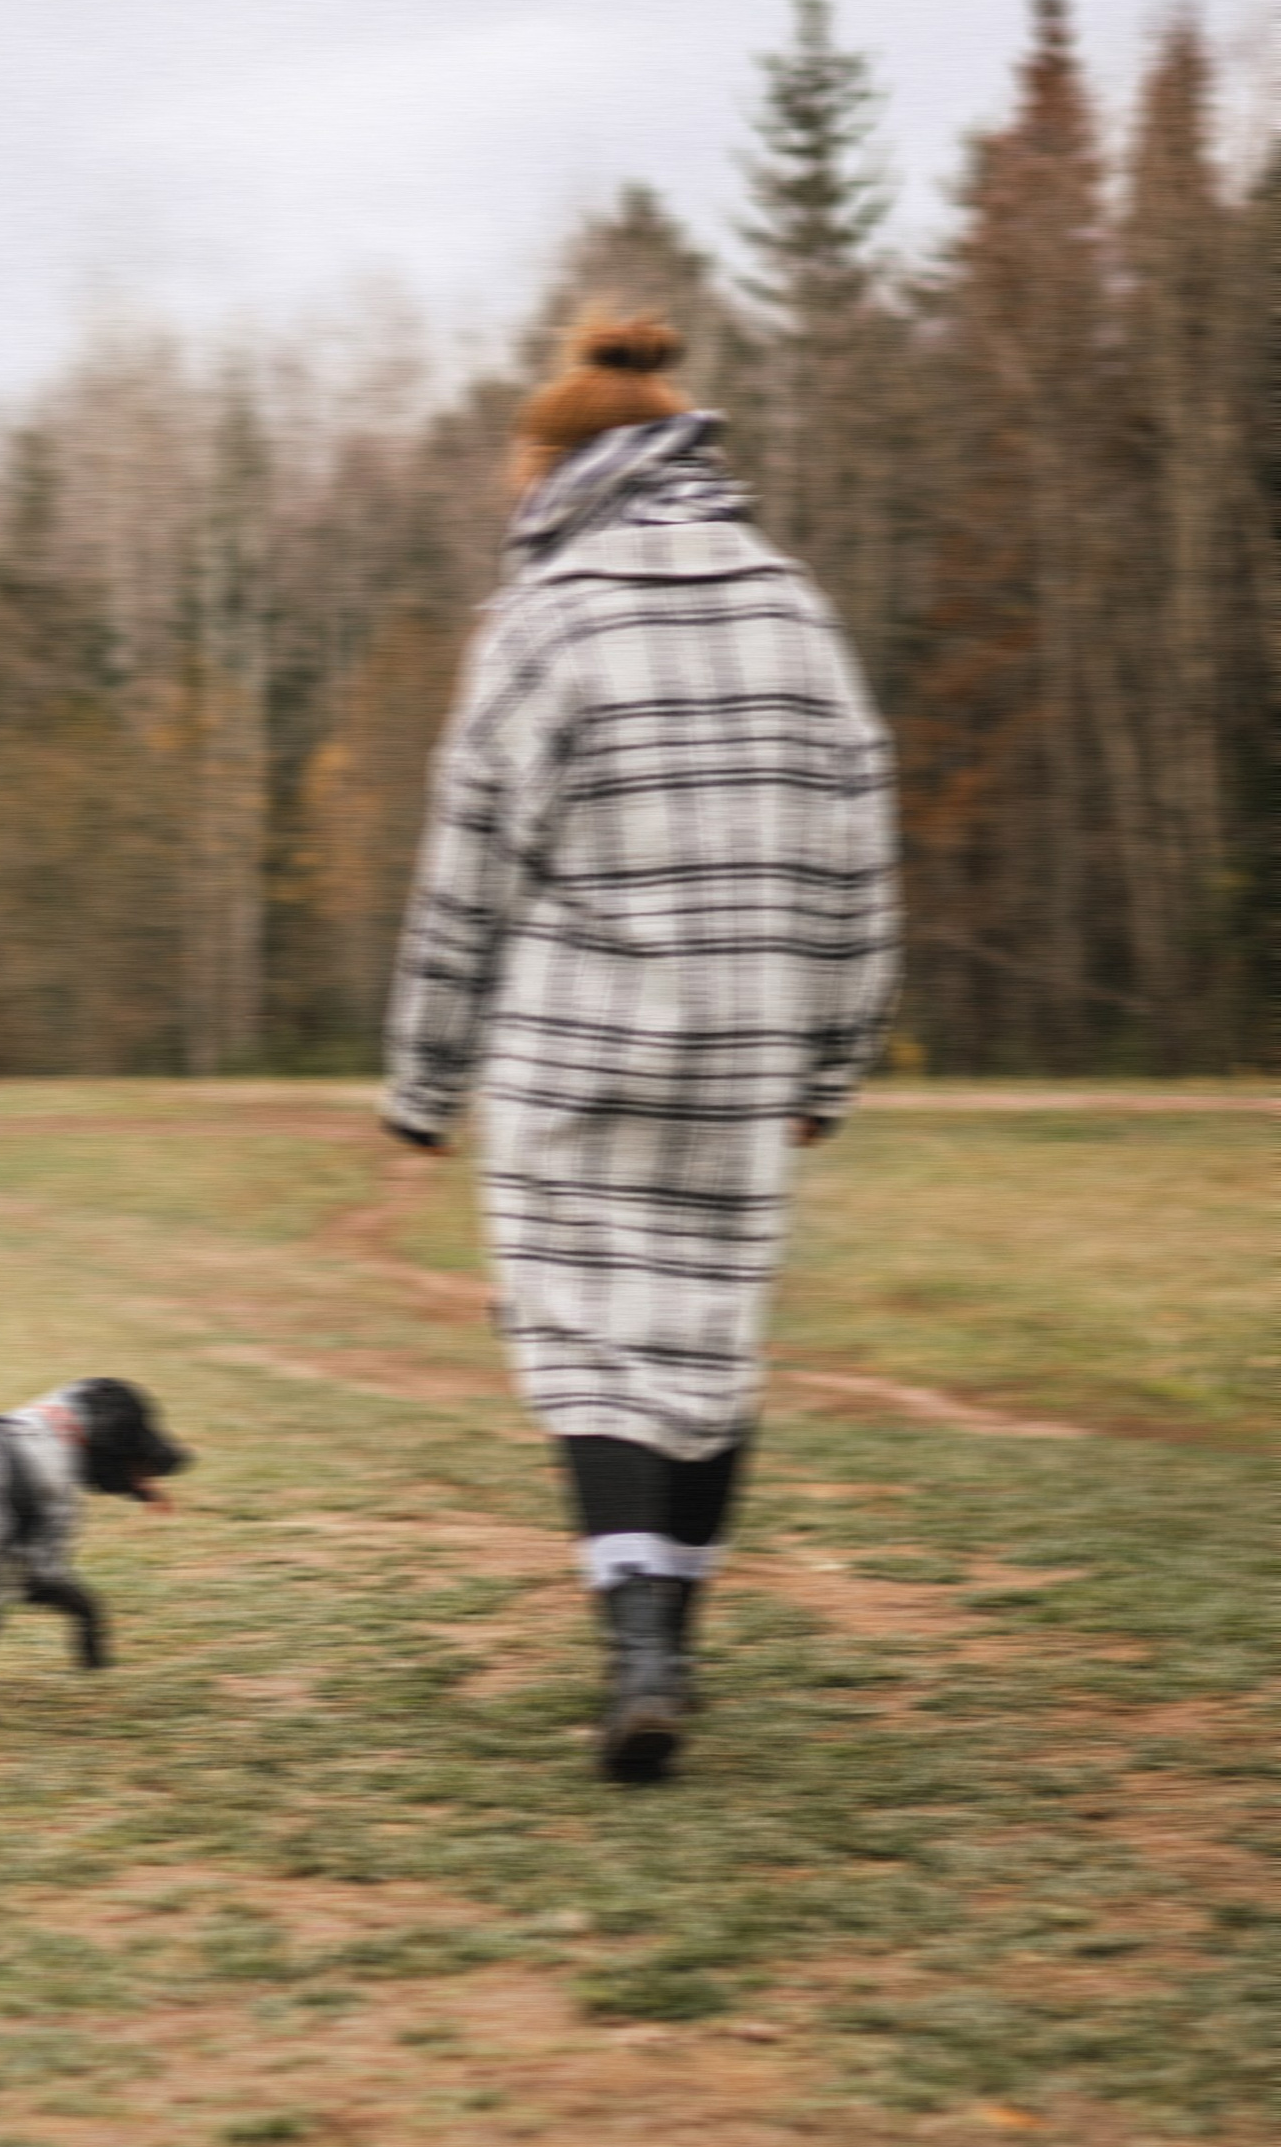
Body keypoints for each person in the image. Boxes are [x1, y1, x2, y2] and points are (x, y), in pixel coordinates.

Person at [380, 311, 900, 1781]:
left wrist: (424, 1080)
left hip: (574, 1044)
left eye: (512, 470)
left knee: (585, 1339)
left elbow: (465, 864)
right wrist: (834, 1058)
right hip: (745, 1044)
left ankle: (637, 1640)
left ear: (564, 465)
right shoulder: (794, 605)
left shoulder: (544, 619)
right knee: (706, 1338)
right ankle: (676, 1618)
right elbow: (860, 840)